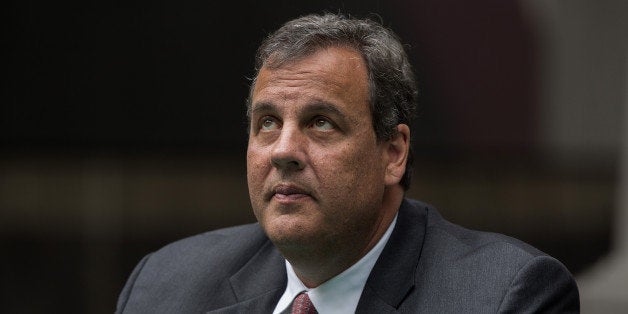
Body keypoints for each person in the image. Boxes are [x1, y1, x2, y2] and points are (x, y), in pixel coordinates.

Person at [116, 13, 579, 313]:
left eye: (320, 123)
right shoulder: (164, 288)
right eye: (268, 123)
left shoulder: (506, 297)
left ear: (393, 153)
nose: (283, 151)